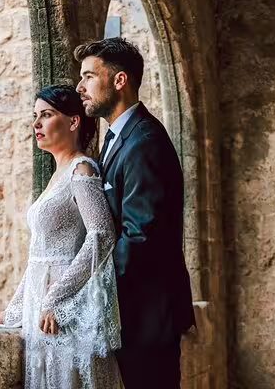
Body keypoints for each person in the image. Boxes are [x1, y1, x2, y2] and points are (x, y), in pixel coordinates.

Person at [75, 37, 195, 389]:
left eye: (89, 77)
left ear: (120, 80)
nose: (80, 87)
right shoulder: (118, 136)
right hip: (135, 313)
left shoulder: (145, 142)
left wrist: (92, 285)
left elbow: (140, 236)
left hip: (147, 316)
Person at [0, 84, 122, 389]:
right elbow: (38, 257)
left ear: (73, 122)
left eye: (46, 115)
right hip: (41, 303)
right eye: (35, 116)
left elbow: (101, 234)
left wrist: (58, 298)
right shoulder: (55, 177)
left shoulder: (81, 170)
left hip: (64, 307)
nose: (36, 124)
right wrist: (14, 309)